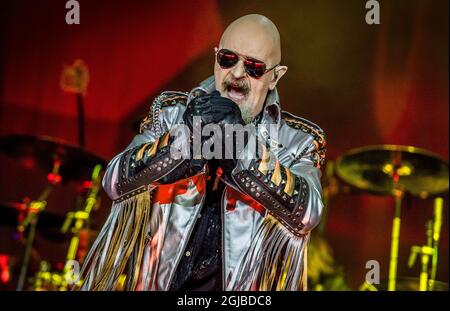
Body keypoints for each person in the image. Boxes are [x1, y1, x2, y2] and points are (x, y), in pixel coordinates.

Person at [78, 14, 326, 291]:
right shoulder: (172, 113)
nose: (237, 74)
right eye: (228, 59)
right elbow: (114, 181)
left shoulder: (298, 140)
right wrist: (185, 143)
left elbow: (308, 214)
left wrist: (241, 148)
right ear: (216, 57)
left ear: (275, 77)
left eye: (254, 67)